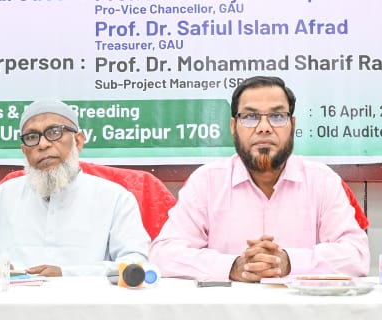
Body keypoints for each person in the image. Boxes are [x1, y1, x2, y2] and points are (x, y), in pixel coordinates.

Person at [150, 76, 368, 281]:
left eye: (277, 116)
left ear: (293, 125)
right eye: (250, 117)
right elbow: (163, 254)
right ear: (233, 127)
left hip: (302, 307)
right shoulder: (206, 182)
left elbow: (357, 255)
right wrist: (232, 266)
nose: (264, 128)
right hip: (227, 308)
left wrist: (289, 262)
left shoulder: (322, 181)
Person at [0, 99, 150, 276]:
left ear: (78, 141)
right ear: (24, 151)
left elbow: (135, 263)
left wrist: (66, 274)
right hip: (11, 298)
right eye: (32, 137)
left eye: (54, 132)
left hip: (88, 299)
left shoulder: (115, 198)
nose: (42, 144)